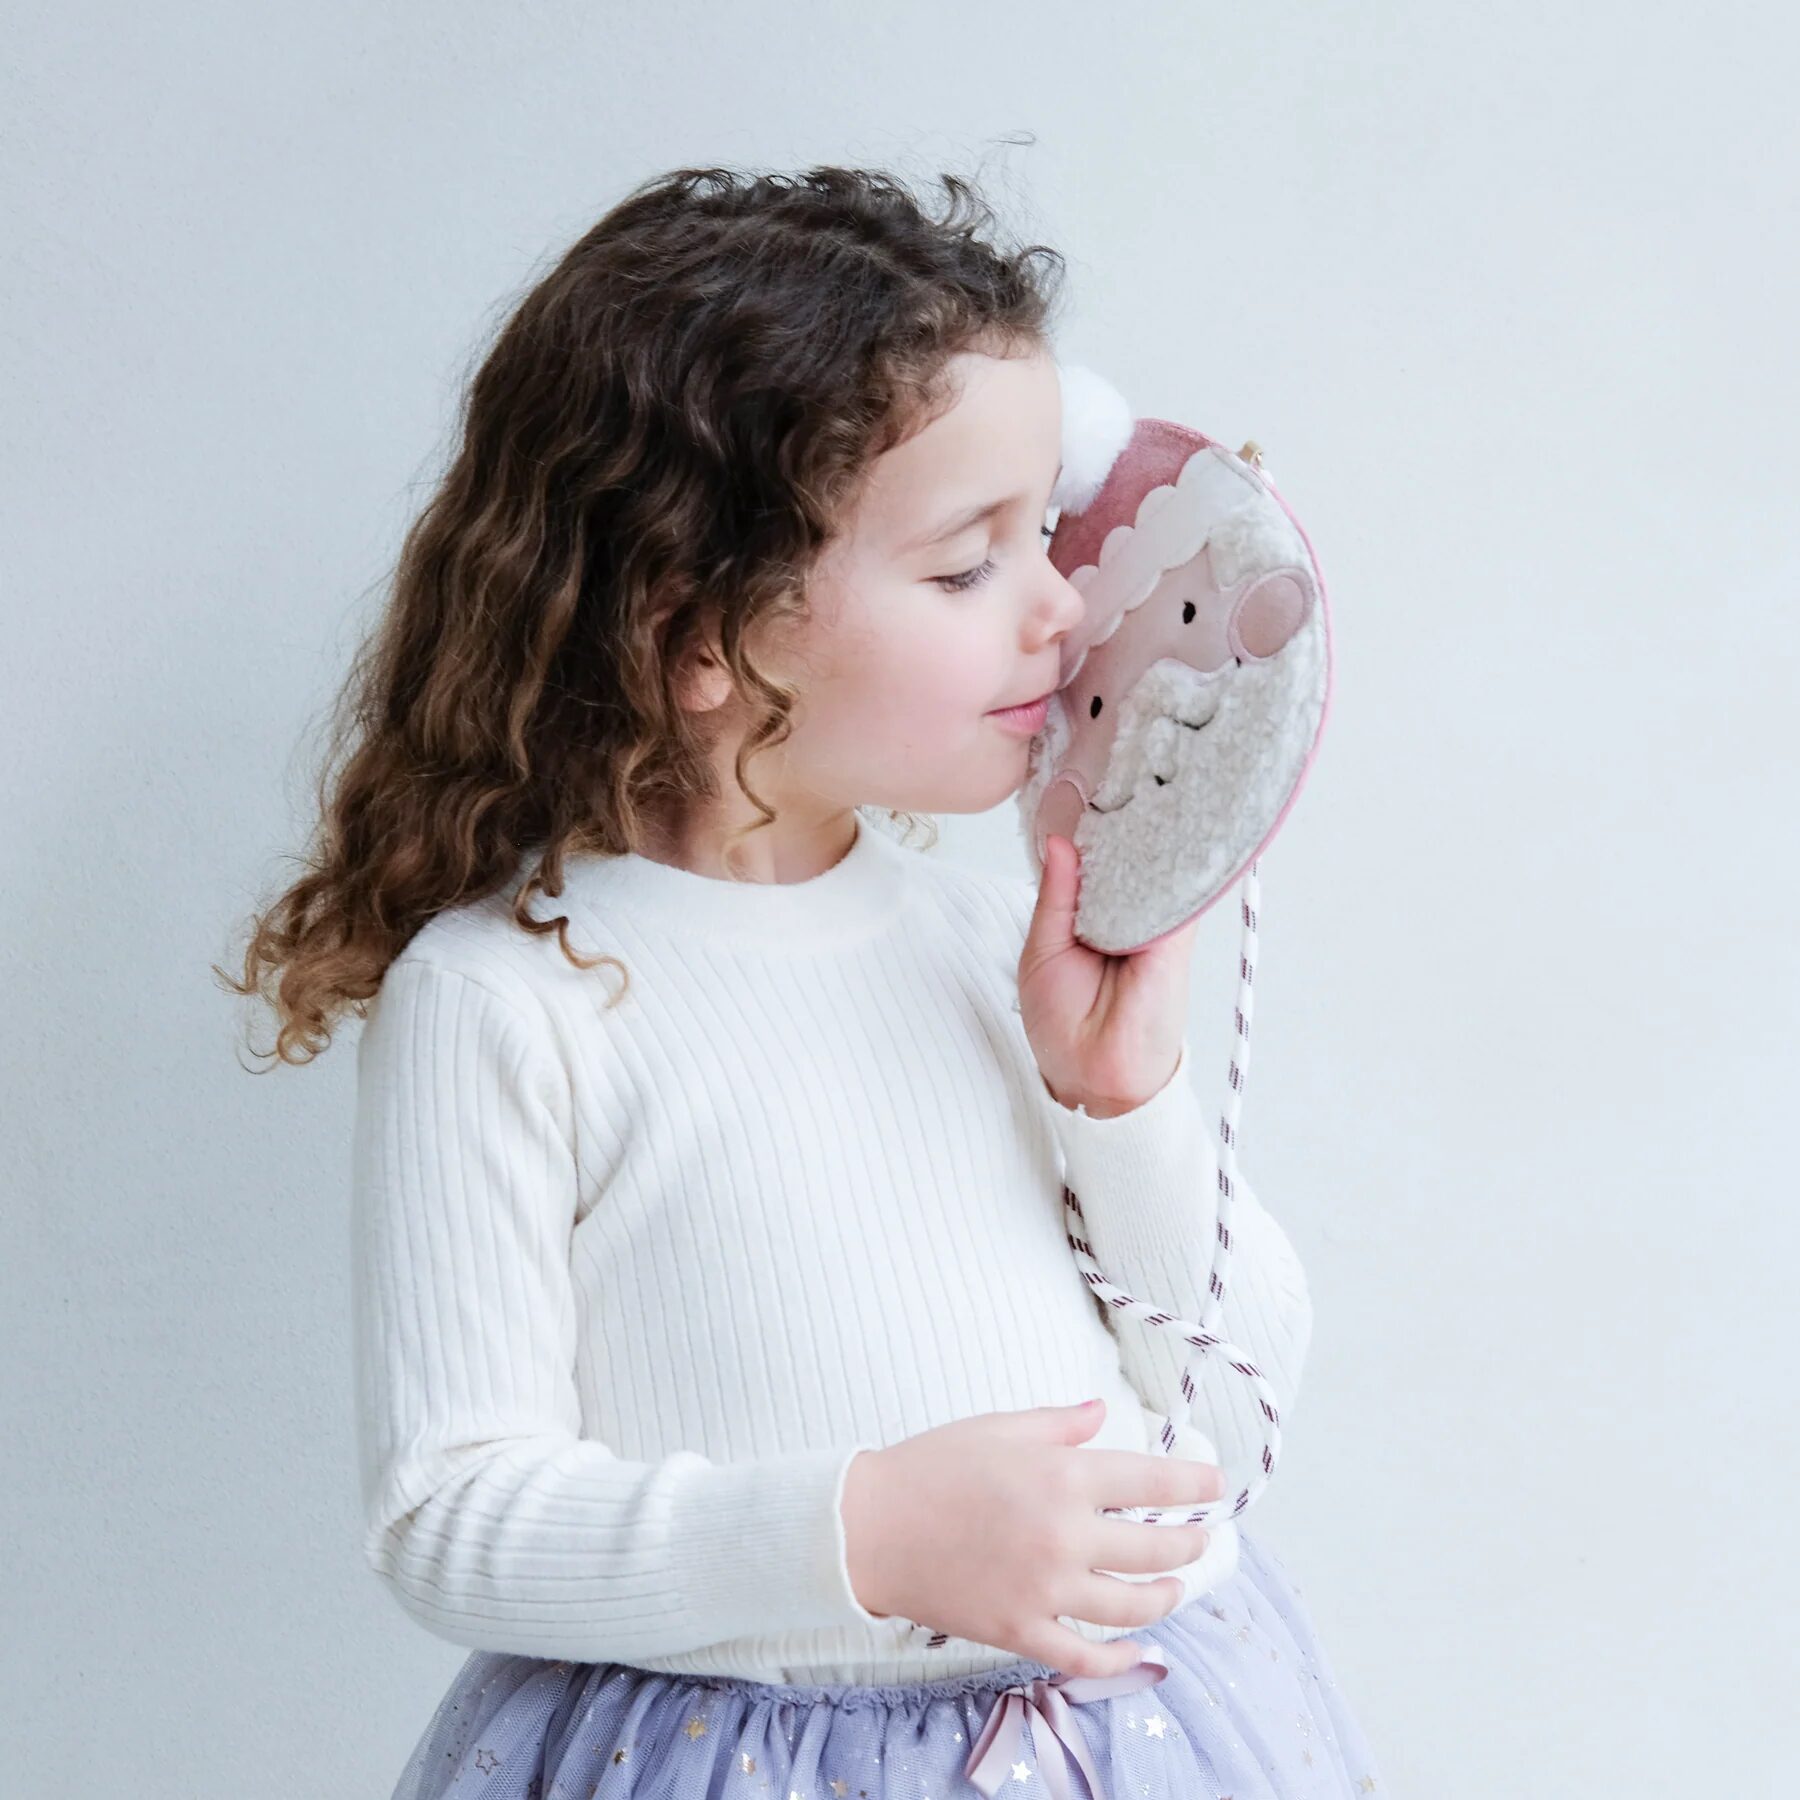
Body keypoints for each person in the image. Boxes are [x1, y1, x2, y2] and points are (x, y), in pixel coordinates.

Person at [224, 163, 1388, 1799]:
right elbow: (449, 1513)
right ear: (701, 637)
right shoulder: (510, 1000)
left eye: (1045, 533)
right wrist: (864, 1533)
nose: (1064, 605)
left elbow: (1239, 1419)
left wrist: (1122, 1104)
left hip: (1120, 1743)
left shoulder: (987, 947)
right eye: (970, 564)